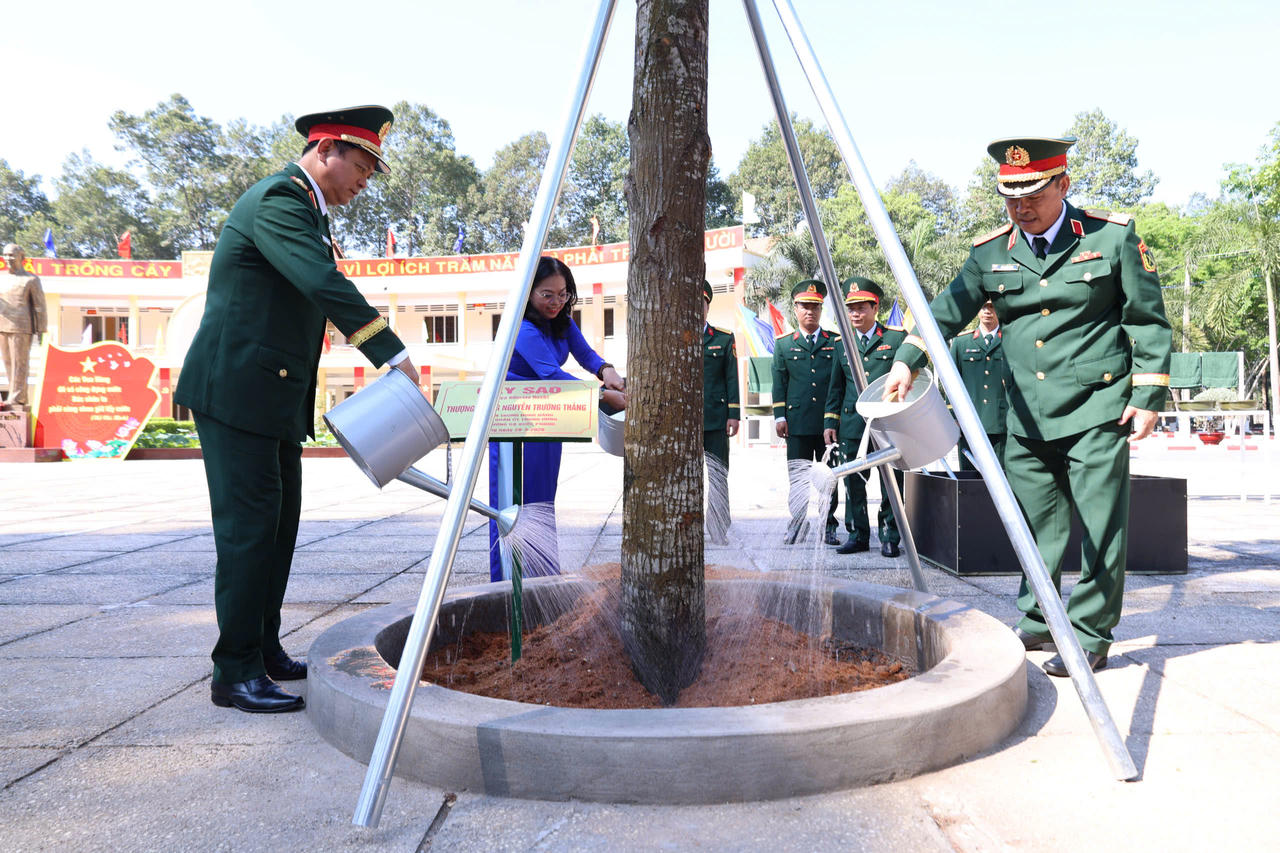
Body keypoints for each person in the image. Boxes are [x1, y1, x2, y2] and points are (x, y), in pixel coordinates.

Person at [884, 136, 1171, 677]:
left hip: (1098, 407)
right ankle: (1039, 618)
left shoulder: (1111, 238)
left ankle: (1089, 633)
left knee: (1101, 527)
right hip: (1026, 415)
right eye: (1011, 198)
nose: (1021, 207)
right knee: (1037, 525)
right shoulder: (990, 252)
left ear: (1063, 185)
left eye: (1034, 195)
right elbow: (944, 311)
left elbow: (1148, 321)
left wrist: (1148, 395)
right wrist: (907, 361)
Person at [175, 105, 419, 713]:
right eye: (362, 166)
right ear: (327, 149)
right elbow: (320, 283)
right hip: (238, 392)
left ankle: (262, 648)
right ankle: (234, 671)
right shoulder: (279, 200)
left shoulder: (306, 209)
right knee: (249, 532)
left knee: (277, 530)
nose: (364, 182)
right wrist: (390, 352)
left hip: (271, 396)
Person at [487, 256, 626, 581]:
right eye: (547, 295)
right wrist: (603, 395)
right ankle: (510, 582)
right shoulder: (521, 326)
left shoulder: (562, 320)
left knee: (542, 498)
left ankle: (541, 576)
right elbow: (551, 374)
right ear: (528, 293)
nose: (556, 302)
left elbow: (585, 354)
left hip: (549, 417)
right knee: (516, 500)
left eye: (563, 294)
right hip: (516, 421)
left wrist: (607, 371)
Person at [822, 277, 907, 557]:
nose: (855, 314)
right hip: (852, 424)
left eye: (861, 308)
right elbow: (835, 387)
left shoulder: (895, 339)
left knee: (891, 481)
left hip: (888, 424)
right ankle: (857, 535)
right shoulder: (841, 343)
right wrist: (830, 422)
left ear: (875, 307)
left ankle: (890, 536)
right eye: (851, 309)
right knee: (853, 482)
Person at [772, 279, 840, 545]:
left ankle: (829, 524)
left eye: (815, 307)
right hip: (797, 423)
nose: (809, 311)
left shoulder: (834, 342)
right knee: (798, 477)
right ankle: (798, 524)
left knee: (829, 478)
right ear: (795, 308)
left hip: (827, 424)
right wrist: (780, 416)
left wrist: (835, 417)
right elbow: (779, 383)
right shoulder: (784, 344)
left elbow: (839, 382)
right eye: (804, 306)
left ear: (821, 309)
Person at [948, 299, 1008, 470]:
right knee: (970, 477)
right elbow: (951, 383)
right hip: (970, 423)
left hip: (1002, 423)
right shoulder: (961, 343)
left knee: (1002, 476)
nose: (987, 311)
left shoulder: (1010, 340)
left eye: (992, 306)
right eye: (983, 307)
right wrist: (954, 418)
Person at [701, 280, 739, 545]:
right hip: (685, 422)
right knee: (688, 478)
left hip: (715, 418)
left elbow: (731, 378)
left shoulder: (723, 338)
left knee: (717, 475)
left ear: (708, 306)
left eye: (701, 304)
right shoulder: (674, 338)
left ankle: (718, 529)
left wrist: (733, 414)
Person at [1, 244, 48, 411]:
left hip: (21, 327)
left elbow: (39, 307)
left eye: (12, 255)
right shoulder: (1, 279)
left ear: (22, 257)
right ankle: (15, 396)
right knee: (8, 363)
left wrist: (42, 329)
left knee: (20, 363)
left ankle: (17, 398)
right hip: (3, 326)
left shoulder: (31, 280)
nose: (8, 258)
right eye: (6, 255)